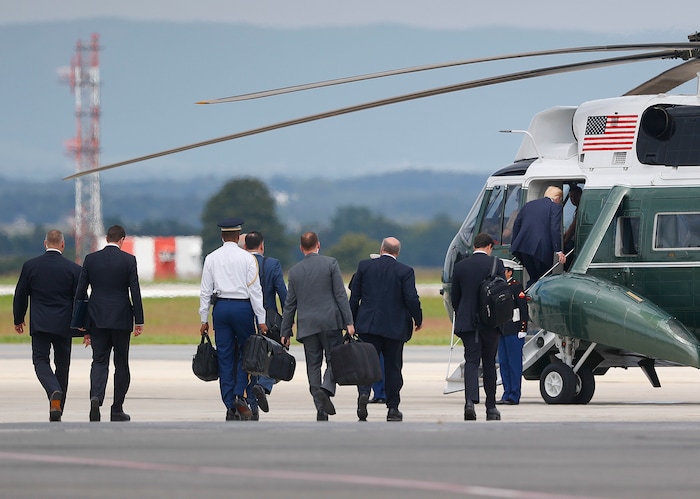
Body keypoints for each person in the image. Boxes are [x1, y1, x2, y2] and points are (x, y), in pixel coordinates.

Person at [280, 231, 355, 421]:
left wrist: (285, 331)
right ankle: (326, 388)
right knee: (334, 360)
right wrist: (349, 322)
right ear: (318, 245)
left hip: (307, 325)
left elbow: (290, 304)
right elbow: (340, 294)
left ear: (301, 248)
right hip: (331, 322)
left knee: (313, 365)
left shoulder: (295, 271)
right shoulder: (331, 264)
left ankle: (320, 407)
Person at [74, 225, 144, 422]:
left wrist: (81, 322)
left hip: (97, 319)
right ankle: (117, 409)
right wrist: (139, 320)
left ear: (107, 238)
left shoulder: (91, 259)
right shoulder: (128, 260)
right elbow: (135, 292)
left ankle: (96, 397)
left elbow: (81, 293)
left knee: (99, 361)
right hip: (121, 319)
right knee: (121, 364)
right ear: (122, 239)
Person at [199, 218, 267, 421]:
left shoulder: (211, 258)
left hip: (220, 308)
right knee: (246, 354)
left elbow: (205, 291)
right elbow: (255, 291)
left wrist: (204, 318)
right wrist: (261, 319)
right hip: (242, 308)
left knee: (225, 356)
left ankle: (229, 405)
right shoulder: (248, 259)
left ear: (222, 236)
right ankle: (240, 394)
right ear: (238, 237)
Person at [349, 237, 423, 422]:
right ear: (397, 252)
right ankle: (393, 408)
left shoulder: (365, 267)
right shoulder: (405, 271)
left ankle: (364, 393)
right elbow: (411, 298)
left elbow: (354, 297)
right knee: (393, 368)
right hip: (395, 327)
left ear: (381, 249)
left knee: (366, 364)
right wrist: (418, 318)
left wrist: (350, 321)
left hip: (368, 325)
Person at [13, 229, 82, 422]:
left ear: (45, 244)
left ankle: (54, 391)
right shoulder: (74, 269)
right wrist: (85, 327)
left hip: (40, 324)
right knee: (63, 366)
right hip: (65, 325)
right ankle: (57, 408)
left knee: (40, 360)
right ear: (62, 244)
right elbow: (81, 300)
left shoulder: (30, 266)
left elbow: (20, 295)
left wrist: (18, 319)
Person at [450, 232, 504, 421]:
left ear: (475, 246)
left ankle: (470, 403)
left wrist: (464, 313)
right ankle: (491, 407)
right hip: (490, 323)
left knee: (471, 361)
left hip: (468, 322)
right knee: (489, 363)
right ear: (489, 246)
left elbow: (454, 297)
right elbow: (501, 294)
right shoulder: (496, 264)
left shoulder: (460, 266)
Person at [244, 230, 287, 418]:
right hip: (268, 320)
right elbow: (283, 294)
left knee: (248, 359)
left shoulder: (240, 263)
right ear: (262, 246)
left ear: (245, 246)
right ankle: (263, 385)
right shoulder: (273, 264)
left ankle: (251, 405)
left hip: (245, 315)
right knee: (272, 356)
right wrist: (287, 321)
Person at [510, 186, 566, 289]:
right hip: (541, 247)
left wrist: (515, 243)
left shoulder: (528, 205)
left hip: (523, 247)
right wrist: (558, 250)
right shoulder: (555, 207)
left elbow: (517, 224)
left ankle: (528, 296)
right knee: (544, 279)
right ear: (557, 198)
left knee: (533, 277)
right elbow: (554, 228)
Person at [496, 259, 529, 405]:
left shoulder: (516, 287)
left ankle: (514, 395)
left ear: (510, 272)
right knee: (503, 363)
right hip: (502, 330)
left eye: (504, 271)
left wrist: (523, 328)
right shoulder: (498, 286)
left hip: (514, 330)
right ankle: (506, 392)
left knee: (514, 364)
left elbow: (523, 309)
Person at [563, 185, 582, 271]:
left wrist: (564, 242)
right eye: (571, 196)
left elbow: (572, 229)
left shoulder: (581, 210)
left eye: (575, 196)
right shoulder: (578, 209)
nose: (573, 199)